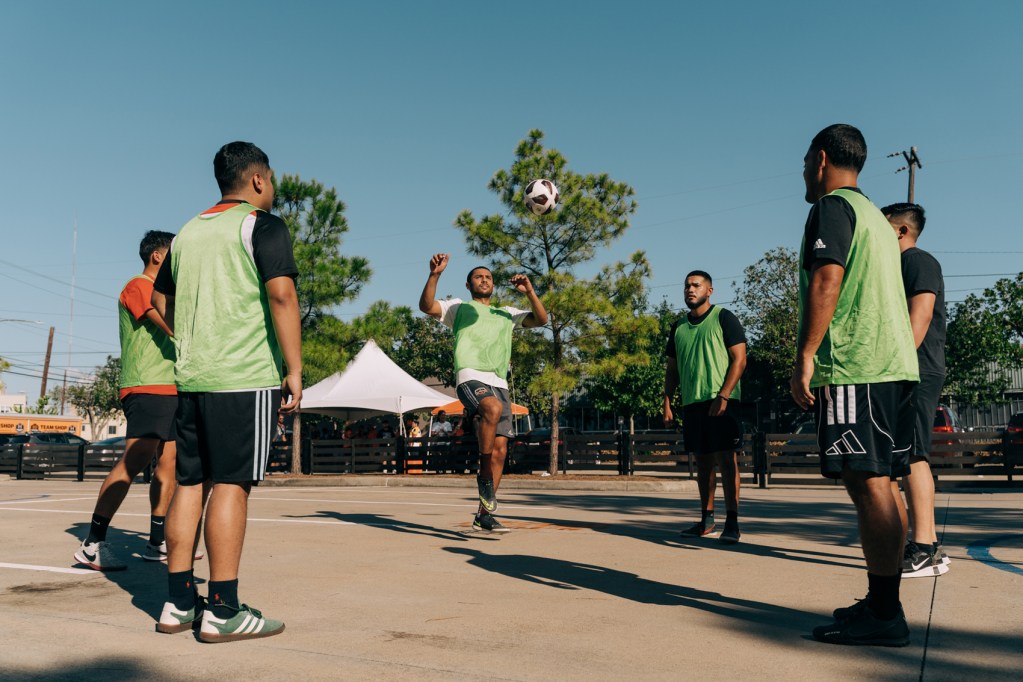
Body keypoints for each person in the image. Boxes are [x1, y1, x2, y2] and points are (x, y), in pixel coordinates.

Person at [151, 141, 302, 642]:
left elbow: (159, 299)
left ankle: (177, 604)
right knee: (232, 484)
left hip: (192, 377)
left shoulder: (188, 232)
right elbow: (281, 294)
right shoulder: (263, 225)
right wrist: (295, 369)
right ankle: (223, 609)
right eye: (272, 180)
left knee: (190, 484)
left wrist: (193, 339)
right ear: (258, 180)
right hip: (243, 377)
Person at [792, 124, 919, 647]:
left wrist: (806, 354)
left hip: (856, 366)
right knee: (880, 483)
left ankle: (886, 616)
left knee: (867, 483)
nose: (802, 170)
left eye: (804, 160)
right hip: (892, 365)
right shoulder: (874, 216)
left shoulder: (833, 208)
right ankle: (882, 600)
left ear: (821, 159)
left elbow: (828, 279)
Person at [74, 231, 193, 570]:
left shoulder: (165, 292)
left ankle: (157, 543)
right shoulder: (138, 286)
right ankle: (92, 543)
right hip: (146, 387)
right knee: (133, 461)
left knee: (168, 467)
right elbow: (170, 325)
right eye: (174, 252)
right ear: (158, 256)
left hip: (171, 387)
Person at [419, 254, 547, 533]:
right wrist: (435, 275)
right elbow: (426, 306)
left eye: (488, 277)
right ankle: (484, 477)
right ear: (468, 285)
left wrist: (530, 291)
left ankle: (483, 515)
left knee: (501, 450)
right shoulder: (459, 308)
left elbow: (541, 319)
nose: (485, 280)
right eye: (479, 277)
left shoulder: (507, 313)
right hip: (470, 376)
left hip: (499, 382)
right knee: (490, 409)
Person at [883, 202, 950, 578]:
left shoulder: (917, 261)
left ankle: (925, 548)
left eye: (883, 227)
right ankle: (924, 546)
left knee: (913, 455)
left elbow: (920, 315)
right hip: (910, 368)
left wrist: (898, 368)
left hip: (916, 368)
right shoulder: (901, 265)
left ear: (901, 231)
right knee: (906, 454)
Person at [662, 271, 747, 544]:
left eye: (696, 285)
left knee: (727, 461)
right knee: (703, 463)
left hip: (722, 401)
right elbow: (672, 370)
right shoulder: (678, 327)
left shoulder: (724, 317)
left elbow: (740, 360)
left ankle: (732, 522)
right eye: (687, 285)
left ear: (709, 290)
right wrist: (667, 401)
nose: (690, 289)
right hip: (692, 403)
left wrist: (723, 395)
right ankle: (707, 519)